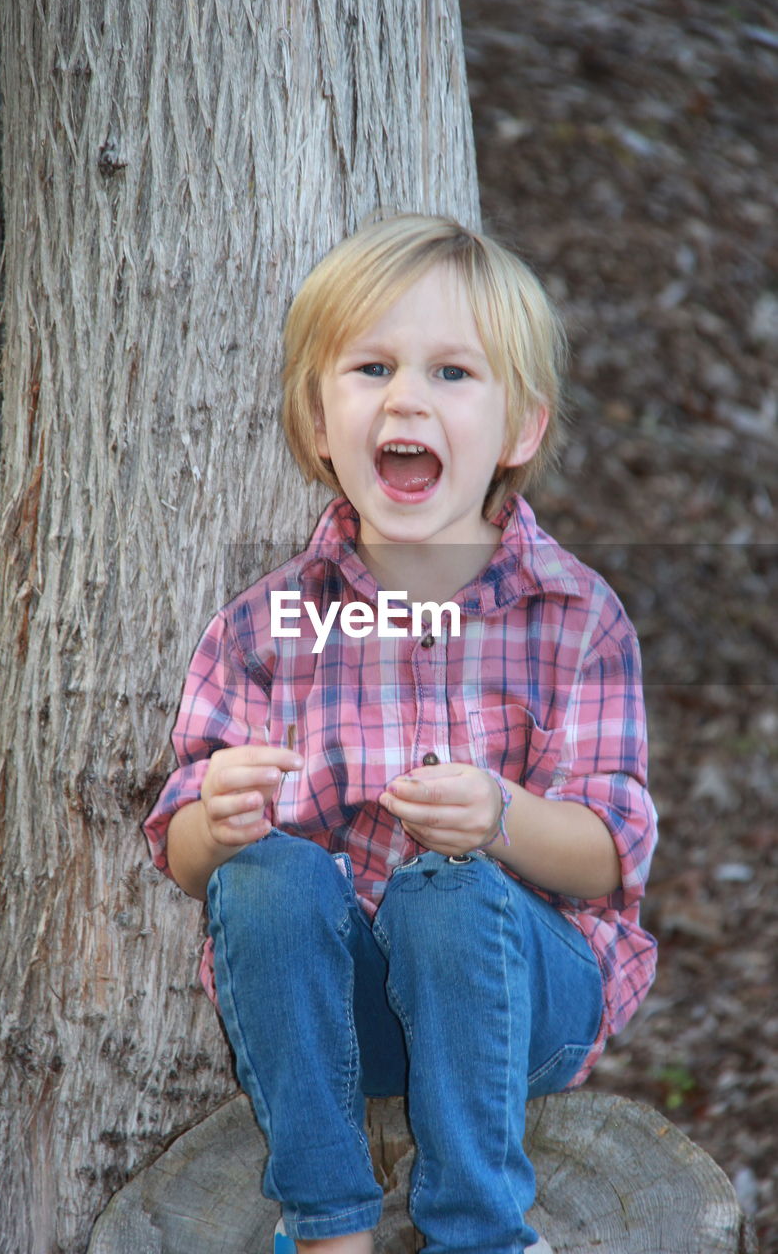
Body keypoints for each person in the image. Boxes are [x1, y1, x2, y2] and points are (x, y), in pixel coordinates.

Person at [143, 214, 657, 1254]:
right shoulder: (264, 627)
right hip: (351, 1020)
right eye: (372, 367)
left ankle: (480, 1228)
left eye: (452, 372)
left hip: (525, 997)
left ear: (519, 429)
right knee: (261, 878)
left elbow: (611, 846)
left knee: (452, 888)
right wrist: (220, 814)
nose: (407, 396)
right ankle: (329, 1222)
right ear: (319, 424)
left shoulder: (573, 617)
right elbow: (182, 849)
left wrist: (502, 817)